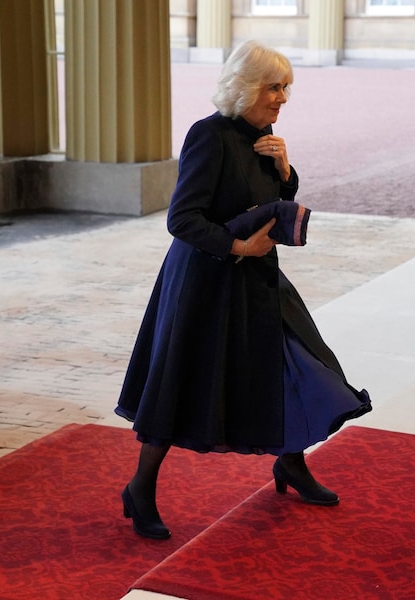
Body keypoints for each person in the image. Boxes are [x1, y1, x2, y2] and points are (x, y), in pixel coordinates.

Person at [115, 40, 372, 541]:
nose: (282, 98)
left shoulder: (265, 135)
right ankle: (140, 488)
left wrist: (286, 173)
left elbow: (268, 202)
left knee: (293, 363)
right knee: (182, 384)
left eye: (285, 88)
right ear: (247, 87)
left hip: (258, 279)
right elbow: (182, 218)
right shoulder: (208, 136)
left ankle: (290, 464)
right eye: (274, 88)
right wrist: (235, 246)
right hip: (205, 281)